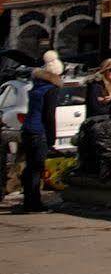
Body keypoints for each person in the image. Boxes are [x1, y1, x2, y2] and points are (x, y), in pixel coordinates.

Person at [17, 53, 63, 212]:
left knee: (30, 168)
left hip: (28, 130)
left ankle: (28, 201)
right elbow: (49, 115)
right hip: (40, 131)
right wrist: (51, 137)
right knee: (37, 168)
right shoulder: (51, 89)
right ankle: (34, 204)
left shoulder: (36, 86)